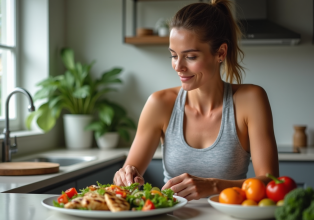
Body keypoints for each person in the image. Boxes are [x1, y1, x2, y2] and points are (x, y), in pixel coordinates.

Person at [114, 0, 279, 201]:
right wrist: (125, 175)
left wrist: (213, 185)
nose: (178, 66)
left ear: (220, 53)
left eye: (190, 57)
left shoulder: (251, 100)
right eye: (173, 56)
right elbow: (127, 179)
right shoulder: (159, 104)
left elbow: (270, 182)